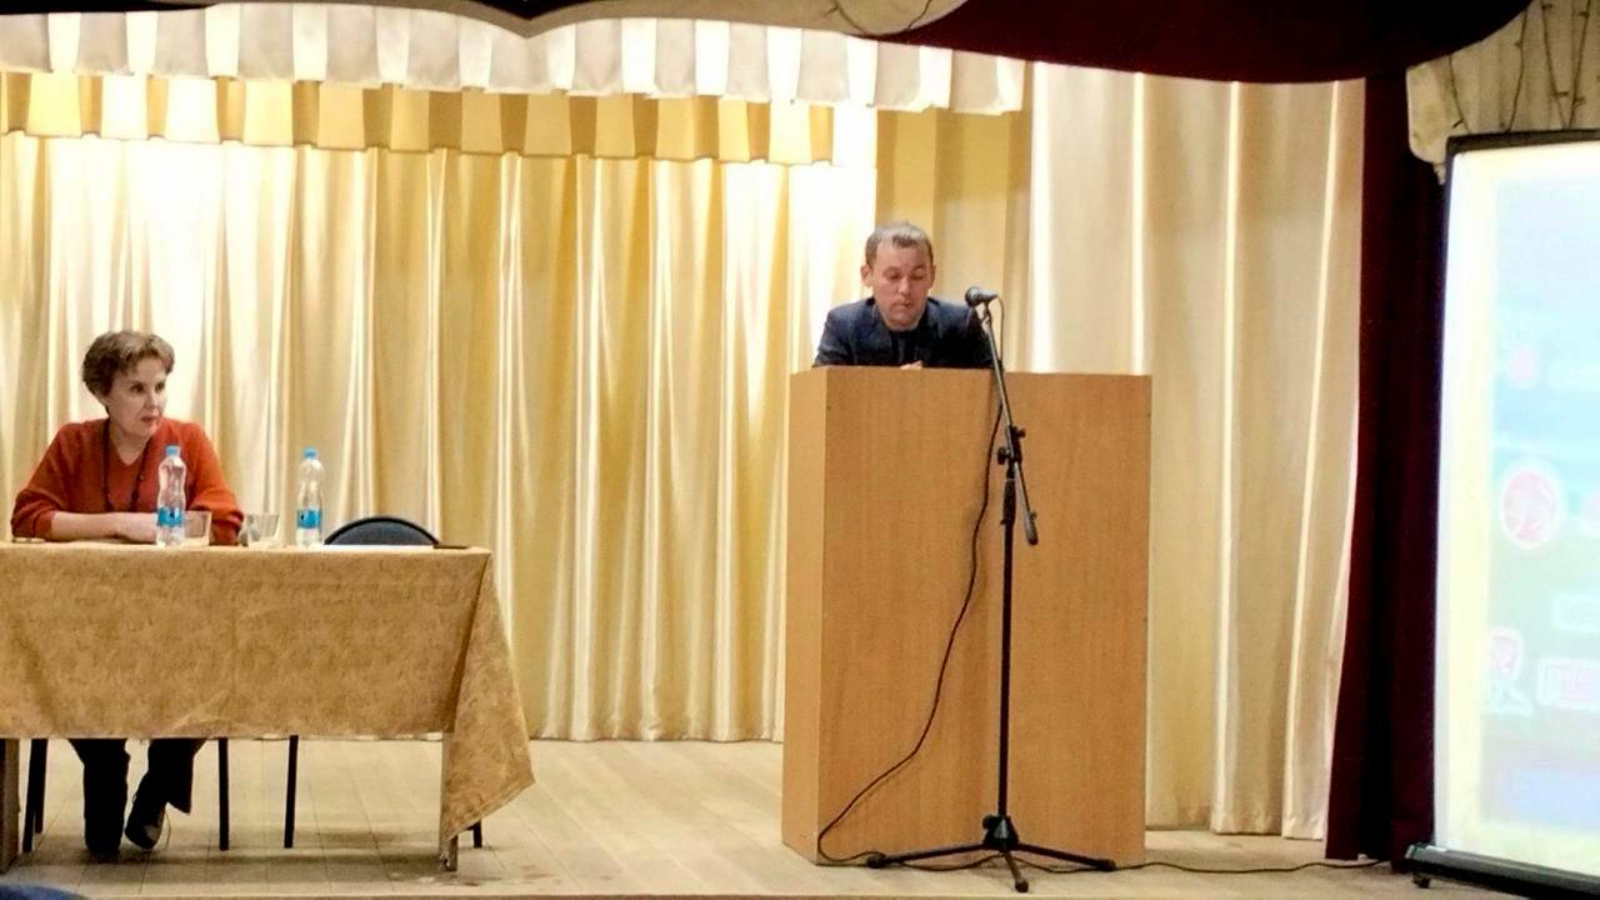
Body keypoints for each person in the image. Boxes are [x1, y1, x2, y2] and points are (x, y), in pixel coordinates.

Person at [9, 330, 242, 860]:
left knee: (220, 665)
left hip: (177, 625)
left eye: (159, 387)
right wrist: (118, 524)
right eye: (136, 389)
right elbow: (28, 516)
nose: (153, 402)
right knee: (51, 665)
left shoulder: (188, 441)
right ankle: (104, 763)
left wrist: (160, 526)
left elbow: (225, 522)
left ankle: (159, 784)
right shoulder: (73, 443)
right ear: (102, 394)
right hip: (87, 626)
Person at [813, 221, 994, 369]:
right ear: (867, 275)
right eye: (893, 277)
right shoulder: (844, 326)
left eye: (917, 276)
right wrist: (897, 386)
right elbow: (821, 393)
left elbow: (995, 393)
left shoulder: (960, 325)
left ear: (932, 276)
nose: (905, 289)